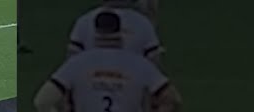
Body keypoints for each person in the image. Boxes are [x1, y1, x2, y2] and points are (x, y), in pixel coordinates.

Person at [32, 11, 183, 112]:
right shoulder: (140, 64)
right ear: (120, 32)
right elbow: (173, 99)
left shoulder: (76, 64)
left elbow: (42, 101)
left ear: (95, 32)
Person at [67, 0, 162, 62]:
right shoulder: (142, 23)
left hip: (92, 77)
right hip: (133, 77)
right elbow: (154, 60)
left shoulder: (84, 22)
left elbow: (72, 58)